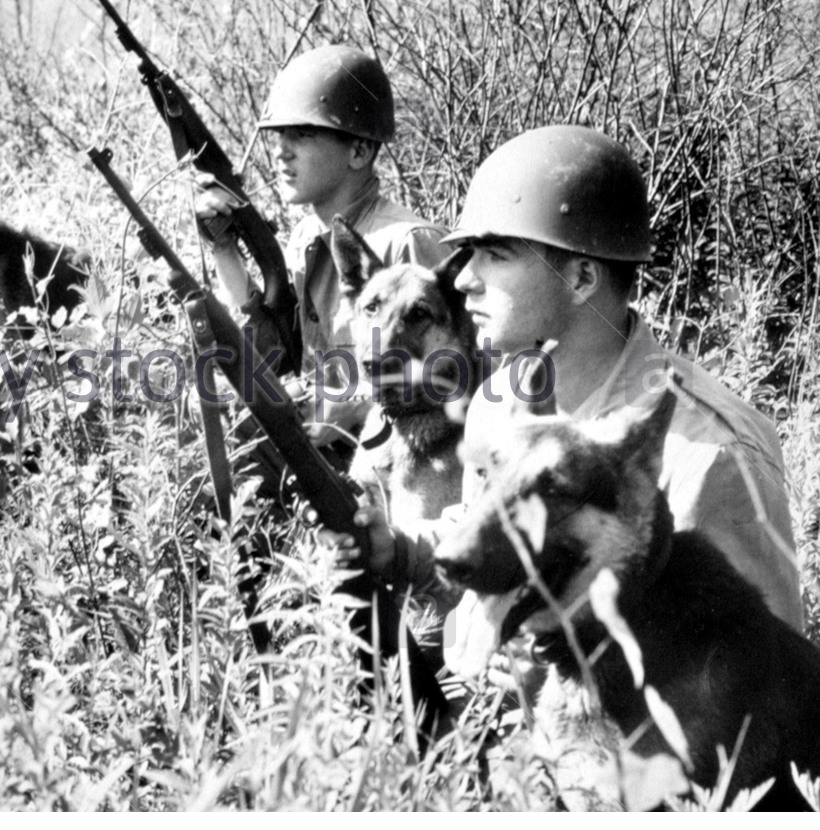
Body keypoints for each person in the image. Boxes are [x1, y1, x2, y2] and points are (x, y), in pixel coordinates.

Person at [334, 124, 802, 635]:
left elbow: (763, 671)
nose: (465, 280)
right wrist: (398, 549)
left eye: (495, 255)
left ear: (580, 279)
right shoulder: (503, 398)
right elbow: (482, 526)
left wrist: (557, 657)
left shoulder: (710, 454)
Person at [196, 44, 449, 461]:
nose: (281, 151)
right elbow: (279, 354)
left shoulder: (406, 243)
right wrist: (225, 251)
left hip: (404, 469)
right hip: (330, 459)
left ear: (359, 151)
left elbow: (467, 379)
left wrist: (357, 404)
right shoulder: (306, 238)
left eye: (303, 134)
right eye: (279, 136)